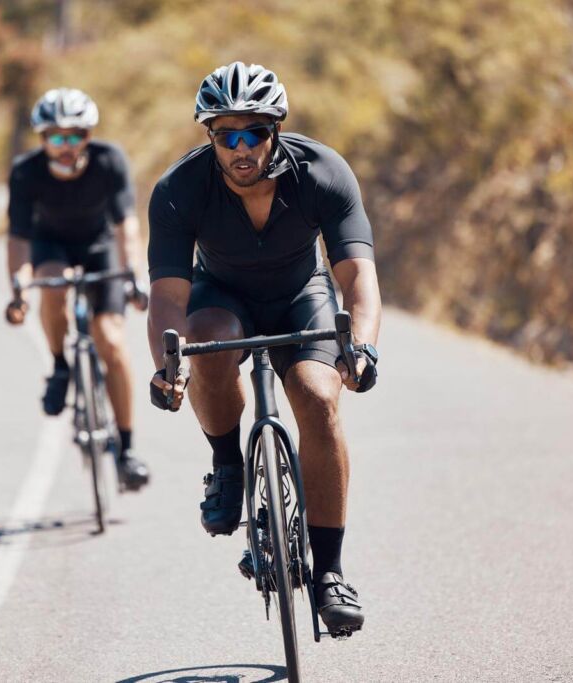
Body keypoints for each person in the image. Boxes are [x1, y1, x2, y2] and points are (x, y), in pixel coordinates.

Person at [146, 62, 382, 635]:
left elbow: (358, 278)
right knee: (210, 344)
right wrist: (167, 366)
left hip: (302, 295)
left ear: (275, 129)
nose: (240, 147)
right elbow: (168, 300)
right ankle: (228, 466)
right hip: (220, 297)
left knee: (318, 399)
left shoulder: (323, 172)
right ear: (210, 138)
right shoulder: (179, 190)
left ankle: (329, 574)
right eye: (226, 135)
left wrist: (364, 347)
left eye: (253, 131)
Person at [5, 87, 150, 491]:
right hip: (50, 245)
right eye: (55, 137)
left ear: (88, 136)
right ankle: (60, 366)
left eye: (75, 136)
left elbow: (126, 225)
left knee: (111, 343)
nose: (66, 146)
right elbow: (17, 238)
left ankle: (127, 450)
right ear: (42, 139)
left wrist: (135, 274)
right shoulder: (25, 172)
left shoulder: (110, 160)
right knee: (53, 288)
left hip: (100, 247)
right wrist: (18, 286)